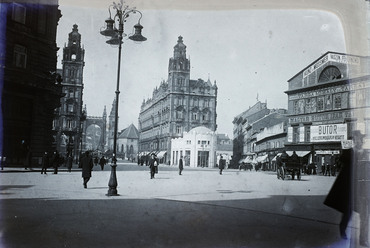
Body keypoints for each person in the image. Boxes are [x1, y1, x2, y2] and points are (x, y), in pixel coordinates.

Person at [324, 130, 369, 247]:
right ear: (355, 140)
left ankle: (363, 239)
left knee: (365, 213)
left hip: (362, 187)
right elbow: (342, 162)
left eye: (362, 139)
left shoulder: (365, 153)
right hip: (350, 187)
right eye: (359, 139)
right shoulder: (348, 152)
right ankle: (342, 228)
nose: (361, 141)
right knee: (348, 211)